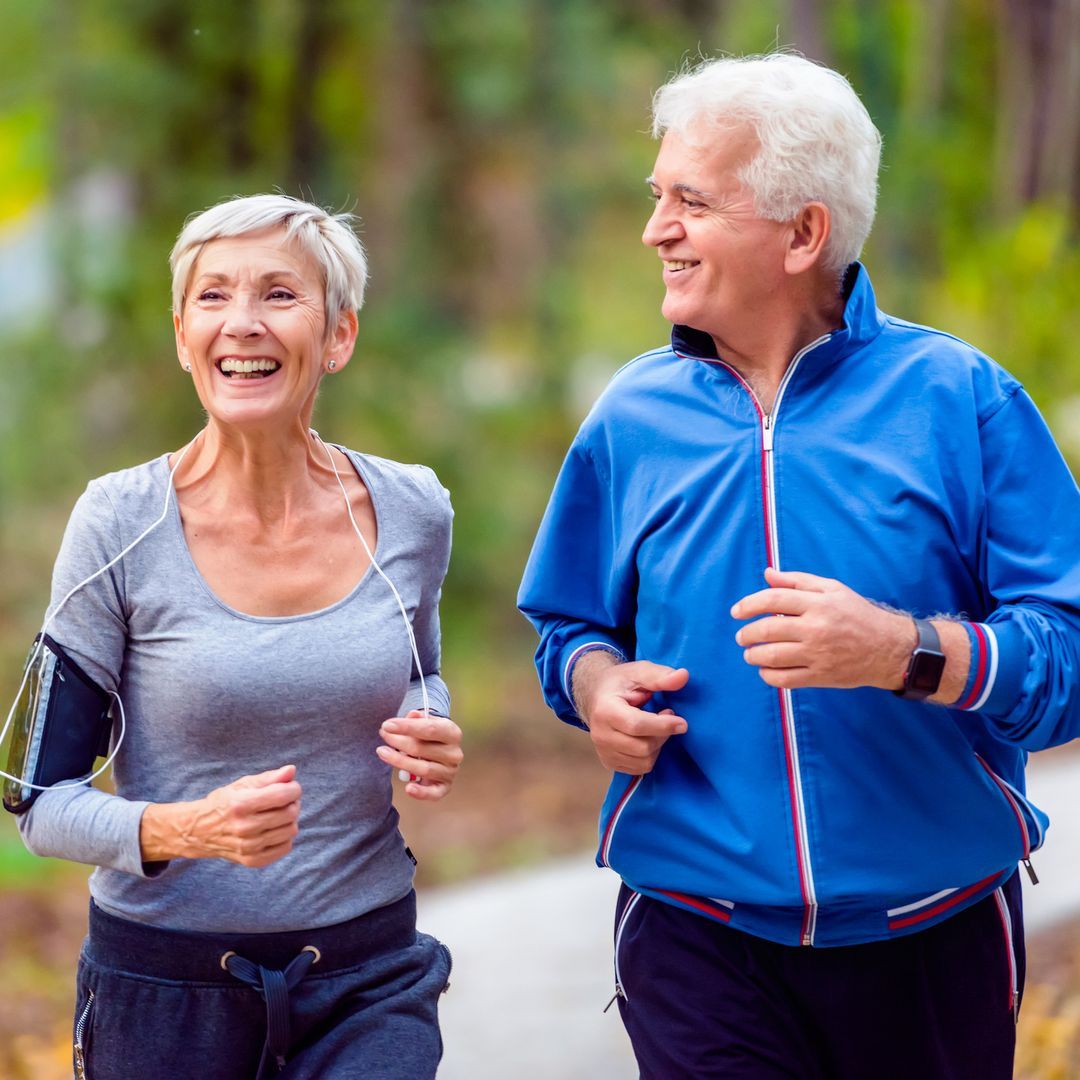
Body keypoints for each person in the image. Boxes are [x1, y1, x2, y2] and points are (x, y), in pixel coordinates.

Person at [518, 53, 1080, 1078]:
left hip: (933, 934)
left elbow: (1069, 662)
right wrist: (597, 688)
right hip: (694, 931)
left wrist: (905, 651)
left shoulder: (963, 399)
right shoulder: (629, 418)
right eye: (658, 198)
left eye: (691, 200)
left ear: (803, 232)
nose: (656, 230)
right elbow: (568, 630)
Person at [11, 194, 462, 1079]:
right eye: (213, 297)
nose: (243, 323)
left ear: (338, 336)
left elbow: (421, 671)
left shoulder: (411, 509)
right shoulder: (118, 523)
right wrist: (190, 828)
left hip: (368, 977)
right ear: (183, 336)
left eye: (280, 295)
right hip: (164, 994)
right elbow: (37, 800)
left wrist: (429, 723)